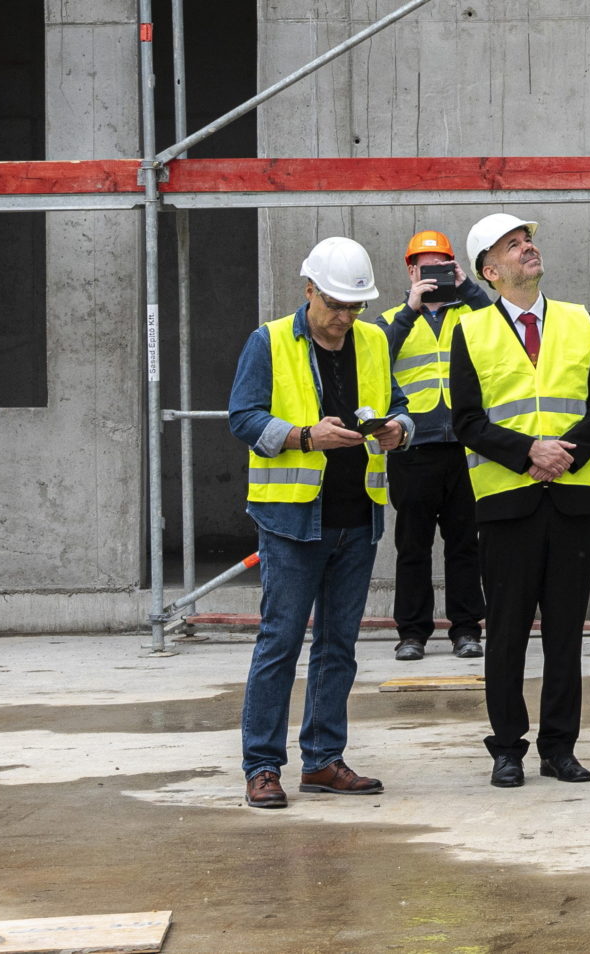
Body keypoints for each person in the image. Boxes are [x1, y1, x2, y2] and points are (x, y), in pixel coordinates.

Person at [228, 237, 411, 809]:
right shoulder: (270, 340)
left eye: (354, 307)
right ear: (308, 289)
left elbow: (400, 402)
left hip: (357, 516)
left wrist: (398, 429)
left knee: (339, 646)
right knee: (280, 643)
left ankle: (324, 760)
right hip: (291, 521)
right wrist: (307, 436)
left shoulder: (375, 341)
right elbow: (243, 417)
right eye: (334, 304)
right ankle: (262, 766)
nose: (343, 317)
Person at [449, 213, 590, 787]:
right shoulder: (470, 331)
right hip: (507, 504)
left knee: (566, 635)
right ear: (489, 270)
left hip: (570, 499)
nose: (528, 248)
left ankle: (559, 747)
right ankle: (506, 749)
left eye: (529, 240)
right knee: (505, 635)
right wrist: (528, 453)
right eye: (512, 245)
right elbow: (468, 421)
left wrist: (562, 453)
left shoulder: (577, 320)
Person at [378, 228, 491, 662]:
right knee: (413, 546)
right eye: (426, 266)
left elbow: (503, 327)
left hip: (466, 447)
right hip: (414, 449)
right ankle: (412, 633)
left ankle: (467, 630)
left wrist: (467, 286)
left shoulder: (473, 314)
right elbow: (373, 361)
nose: (434, 272)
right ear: (411, 270)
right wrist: (410, 309)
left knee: (466, 544)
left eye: (443, 264)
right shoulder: (391, 320)